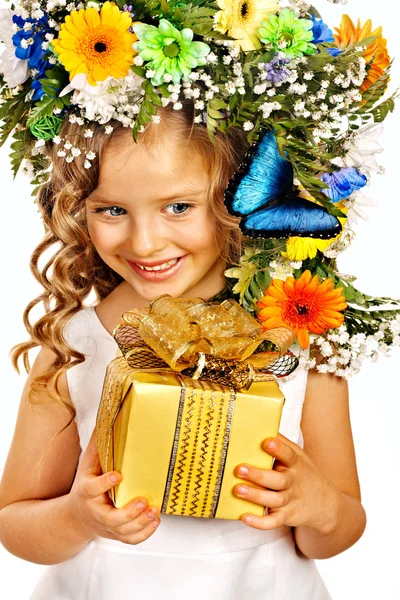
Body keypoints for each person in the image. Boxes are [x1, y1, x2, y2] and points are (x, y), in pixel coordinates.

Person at [0, 0, 397, 597]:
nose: (144, 240)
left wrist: (316, 506)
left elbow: (340, 527)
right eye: (112, 210)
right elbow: (14, 523)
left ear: (238, 192)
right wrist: (75, 518)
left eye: (178, 207)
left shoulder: (300, 334)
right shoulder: (75, 346)